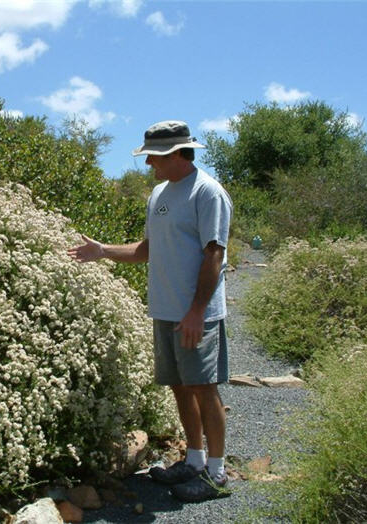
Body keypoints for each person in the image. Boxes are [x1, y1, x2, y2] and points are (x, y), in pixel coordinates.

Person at [67, 120, 233, 503]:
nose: (148, 165)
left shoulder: (208, 193)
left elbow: (215, 253)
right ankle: (194, 459)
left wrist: (196, 311)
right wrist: (103, 250)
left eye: (154, 157)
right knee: (179, 387)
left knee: (204, 389)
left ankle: (217, 474)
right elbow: (147, 249)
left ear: (177, 154)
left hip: (197, 315)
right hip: (166, 310)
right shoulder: (160, 193)